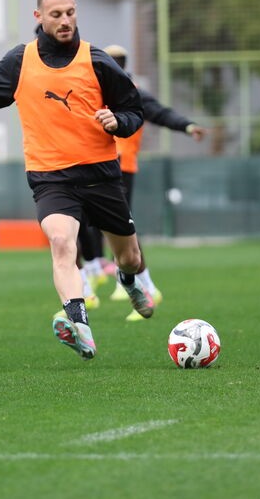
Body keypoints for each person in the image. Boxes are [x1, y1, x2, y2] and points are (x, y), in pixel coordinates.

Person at [0, 0, 150, 361]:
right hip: (50, 176)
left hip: (101, 174)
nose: (65, 20)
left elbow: (134, 111)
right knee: (61, 243)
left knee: (130, 258)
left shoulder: (97, 61)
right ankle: (79, 324)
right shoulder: (20, 60)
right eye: (56, 14)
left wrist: (118, 121)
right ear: (39, 16)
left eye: (70, 12)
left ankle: (127, 279)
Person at [100, 44, 206, 320]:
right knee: (105, 226)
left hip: (120, 167)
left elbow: (160, 112)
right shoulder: (96, 89)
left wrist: (186, 125)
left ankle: (144, 285)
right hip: (98, 167)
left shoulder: (128, 91)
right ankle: (110, 276)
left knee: (120, 227)